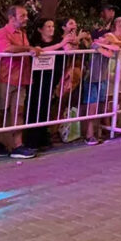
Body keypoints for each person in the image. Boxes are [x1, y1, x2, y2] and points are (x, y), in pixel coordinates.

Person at [0, 6, 42, 159]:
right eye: (22, 16)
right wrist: (29, 48)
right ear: (12, 18)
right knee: (1, 112)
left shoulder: (23, 33)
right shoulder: (2, 33)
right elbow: (7, 49)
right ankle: (1, 143)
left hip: (21, 78)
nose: (26, 18)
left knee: (18, 111)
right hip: (5, 78)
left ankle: (18, 145)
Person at [25, 18, 70, 149]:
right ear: (40, 29)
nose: (51, 29)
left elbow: (65, 51)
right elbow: (39, 50)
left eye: (52, 26)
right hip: (37, 79)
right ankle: (32, 139)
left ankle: (43, 137)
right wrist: (61, 43)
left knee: (46, 106)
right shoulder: (35, 41)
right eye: (48, 26)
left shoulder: (57, 41)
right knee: (34, 107)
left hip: (52, 78)